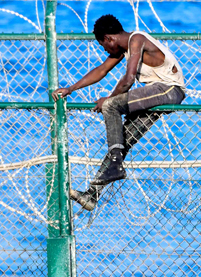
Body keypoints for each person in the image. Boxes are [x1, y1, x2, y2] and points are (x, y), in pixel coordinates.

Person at [51, 14, 187, 210]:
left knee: (111, 106)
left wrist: (110, 99)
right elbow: (101, 70)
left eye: (102, 45)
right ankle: (92, 194)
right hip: (154, 94)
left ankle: (115, 165)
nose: (104, 50)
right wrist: (71, 89)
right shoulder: (123, 49)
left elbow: (128, 79)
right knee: (122, 140)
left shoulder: (136, 40)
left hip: (168, 90)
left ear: (109, 38)